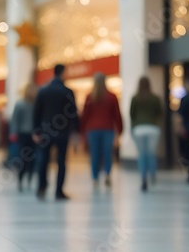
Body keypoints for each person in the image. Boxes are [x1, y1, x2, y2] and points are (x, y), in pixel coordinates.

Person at [33, 64, 79, 200]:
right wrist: (76, 131)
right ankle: (59, 191)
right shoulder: (68, 92)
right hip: (63, 133)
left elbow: (37, 112)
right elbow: (73, 114)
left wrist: (36, 131)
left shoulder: (43, 91)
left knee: (43, 160)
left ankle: (41, 187)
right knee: (61, 162)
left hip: (45, 132)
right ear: (63, 73)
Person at [81, 73, 123, 187]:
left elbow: (85, 115)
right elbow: (117, 115)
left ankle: (95, 178)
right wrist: (120, 130)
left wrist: (82, 131)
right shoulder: (111, 96)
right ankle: (107, 174)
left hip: (92, 130)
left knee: (94, 154)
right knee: (107, 153)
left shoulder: (90, 97)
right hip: (107, 129)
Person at [130, 77, 162, 191]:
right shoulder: (155, 98)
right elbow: (160, 113)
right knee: (151, 153)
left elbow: (131, 114)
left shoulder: (135, 98)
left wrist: (133, 126)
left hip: (139, 129)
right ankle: (152, 174)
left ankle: (143, 177)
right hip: (153, 128)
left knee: (142, 154)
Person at [10, 83, 38, 191]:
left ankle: (26, 178)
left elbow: (14, 120)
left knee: (28, 157)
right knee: (26, 157)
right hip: (26, 134)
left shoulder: (33, 104)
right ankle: (23, 179)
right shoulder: (21, 104)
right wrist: (13, 132)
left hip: (30, 133)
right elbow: (15, 120)